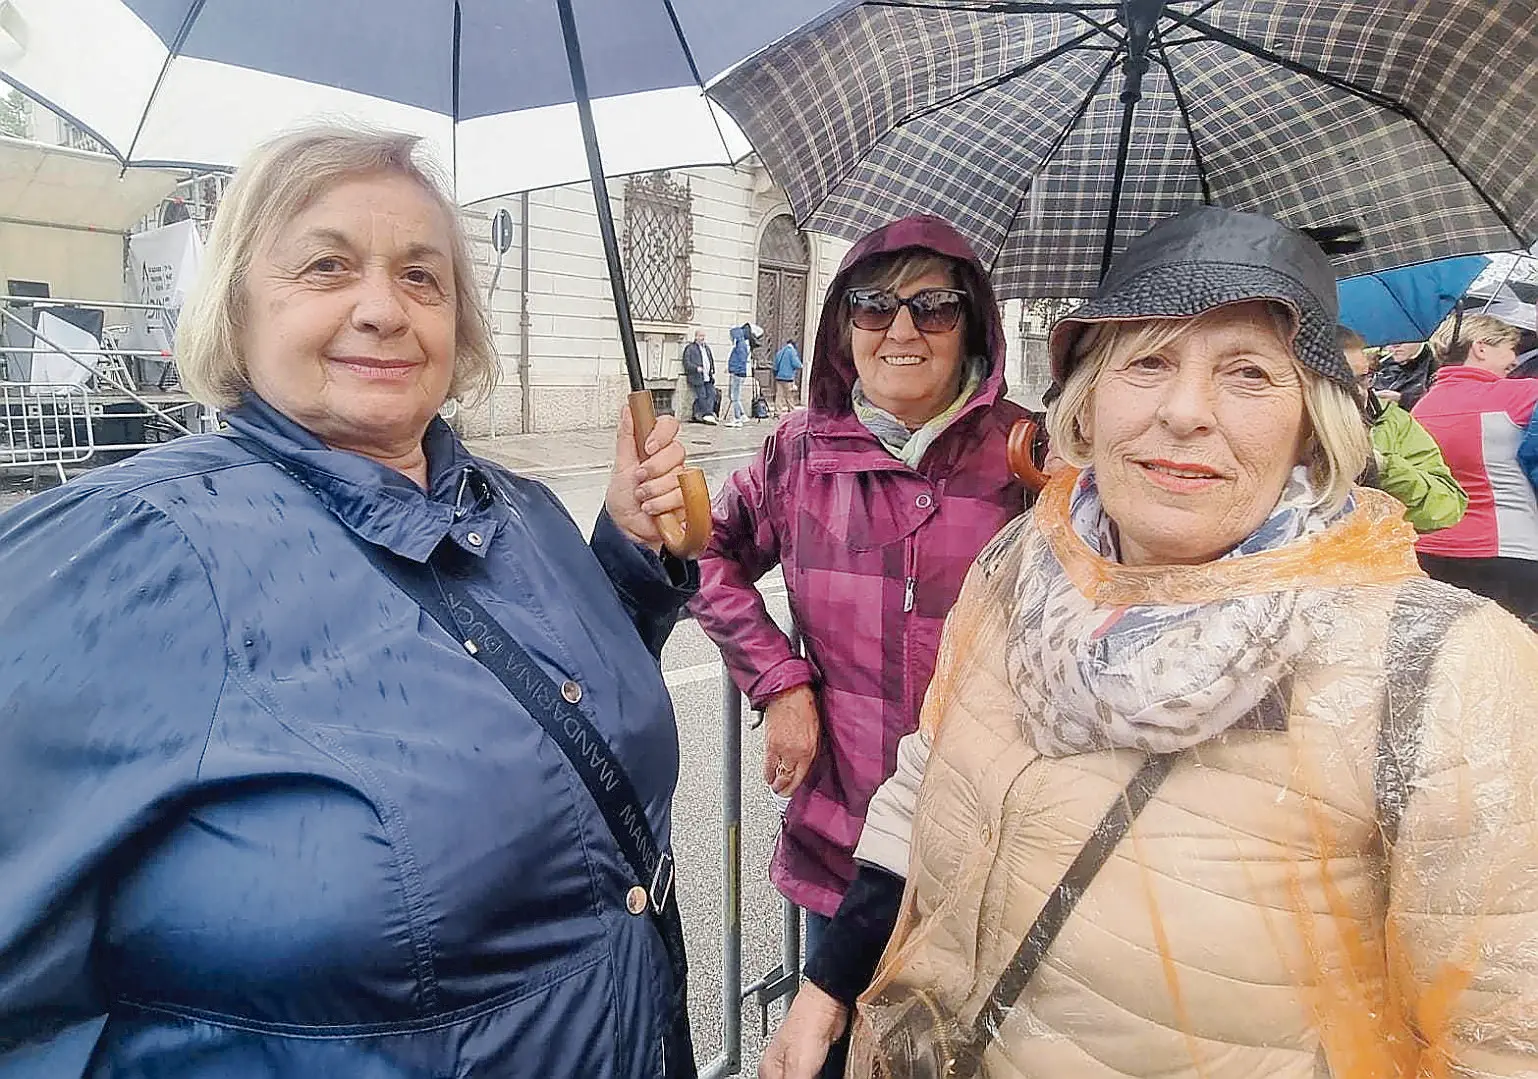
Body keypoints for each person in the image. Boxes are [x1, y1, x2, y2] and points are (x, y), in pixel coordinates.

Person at [768, 207, 1538, 1079]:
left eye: (1248, 372)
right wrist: (828, 988)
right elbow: (925, 779)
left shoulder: (1441, 671)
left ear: (1313, 420)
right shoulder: (1020, 569)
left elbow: (1502, 1035)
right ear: (1087, 406)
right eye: (1148, 361)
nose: (1183, 412)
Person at [0, 126, 702, 1078]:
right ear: (237, 303)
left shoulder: (518, 506)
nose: (384, 308)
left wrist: (622, 557)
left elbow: (545, 708)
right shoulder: (130, 553)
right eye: (327, 266)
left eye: (422, 277)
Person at [691, 215, 1030, 1079]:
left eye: (934, 308)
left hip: (991, 857)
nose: (903, 330)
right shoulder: (799, 453)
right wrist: (779, 680)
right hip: (842, 846)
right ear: (844, 325)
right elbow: (706, 552)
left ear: (974, 325)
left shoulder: (1030, 458)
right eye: (875, 306)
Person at [1411, 313, 1538, 624]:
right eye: (1509, 348)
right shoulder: (1523, 394)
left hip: (1430, 551)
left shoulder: (1419, 408)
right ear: (1480, 347)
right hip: (1509, 551)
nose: (1514, 359)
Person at [1338, 324, 1466, 532]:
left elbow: (1445, 507)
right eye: (1341, 382)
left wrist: (1380, 466)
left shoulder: (1391, 420)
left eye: (1363, 379)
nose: (1358, 392)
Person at [1372, 338, 1437, 410]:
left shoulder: (1436, 363)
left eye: (1404, 338)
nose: (1396, 345)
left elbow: (1436, 405)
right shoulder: (1379, 365)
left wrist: (1402, 400)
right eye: (1390, 337)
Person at [726, 321, 762, 427]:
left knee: (734, 397)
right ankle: (742, 415)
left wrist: (734, 369)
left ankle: (737, 418)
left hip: (737, 373)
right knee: (733, 395)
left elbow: (740, 359)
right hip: (738, 371)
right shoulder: (742, 342)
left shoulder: (740, 343)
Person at [684, 328, 720, 424]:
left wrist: (712, 369)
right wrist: (696, 368)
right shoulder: (690, 348)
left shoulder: (707, 348)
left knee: (712, 393)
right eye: (700, 336)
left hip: (708, 376)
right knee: (702, 395)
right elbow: (686, 362)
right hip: (697, 377)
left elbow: (710, 360)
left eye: (703, 336)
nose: (702, 338)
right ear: (696, 337)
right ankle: (708, 414)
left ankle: (707, 413)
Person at [773, 337, 804, 414]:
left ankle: (778, 412)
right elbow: (796, 364)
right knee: (789, 396)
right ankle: (792, 411)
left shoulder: (780, 351)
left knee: (779, 396)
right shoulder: (792, 352)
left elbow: (775, 365)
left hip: (779, 377)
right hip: (788, 378)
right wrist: (801, 365)